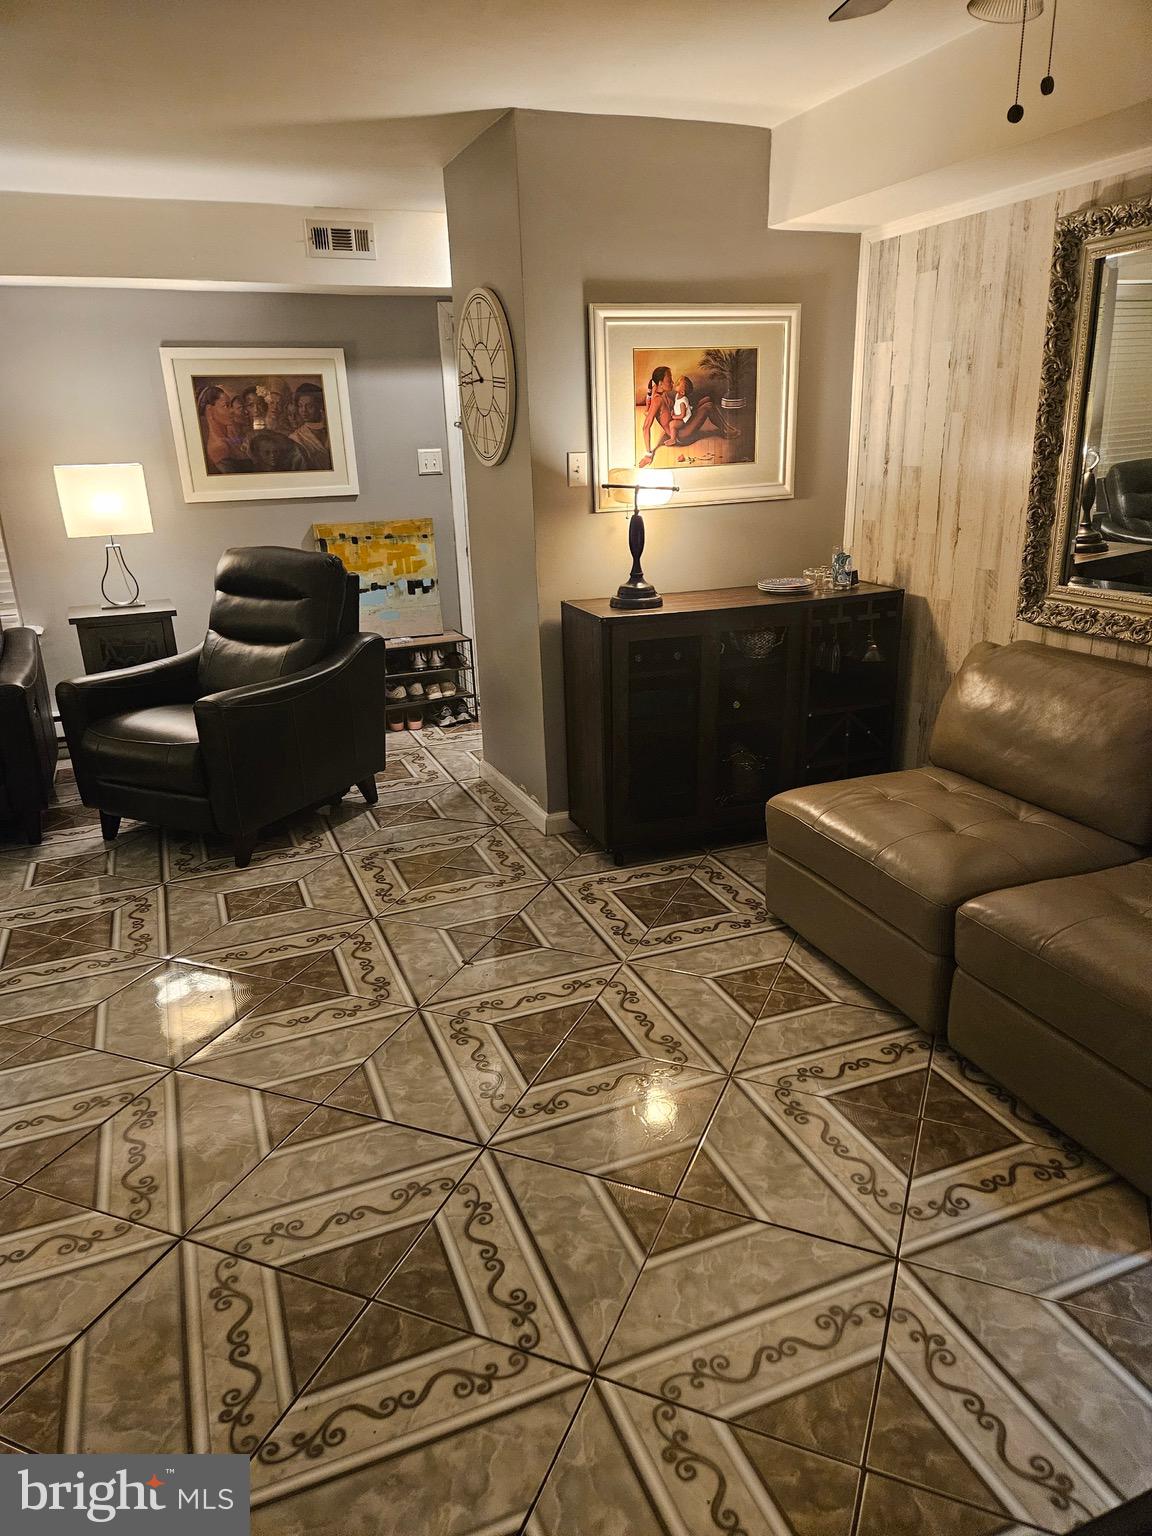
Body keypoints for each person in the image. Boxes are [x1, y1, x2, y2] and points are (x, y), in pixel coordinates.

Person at [290, 381, 332, 470]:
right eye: (300, 406)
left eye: (309, 406)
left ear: (320, 406)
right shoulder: (296, 437)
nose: (303, 410)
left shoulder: (333, 428)